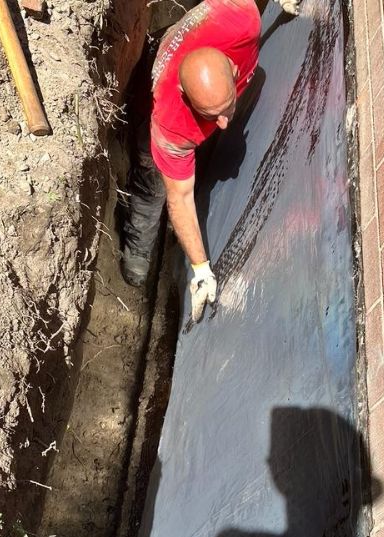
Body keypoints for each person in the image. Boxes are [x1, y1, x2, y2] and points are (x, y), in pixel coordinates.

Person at [121, 0, 301, 323]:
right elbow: (181, 197)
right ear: (188, 100)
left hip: (198, 45)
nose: (222, 124)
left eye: (226, 107)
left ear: (233, 70)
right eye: (210, 115)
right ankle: (137, 247)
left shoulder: (242, 18)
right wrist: (201, 269)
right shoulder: (171, 126)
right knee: (153, 186)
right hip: (154, 90)